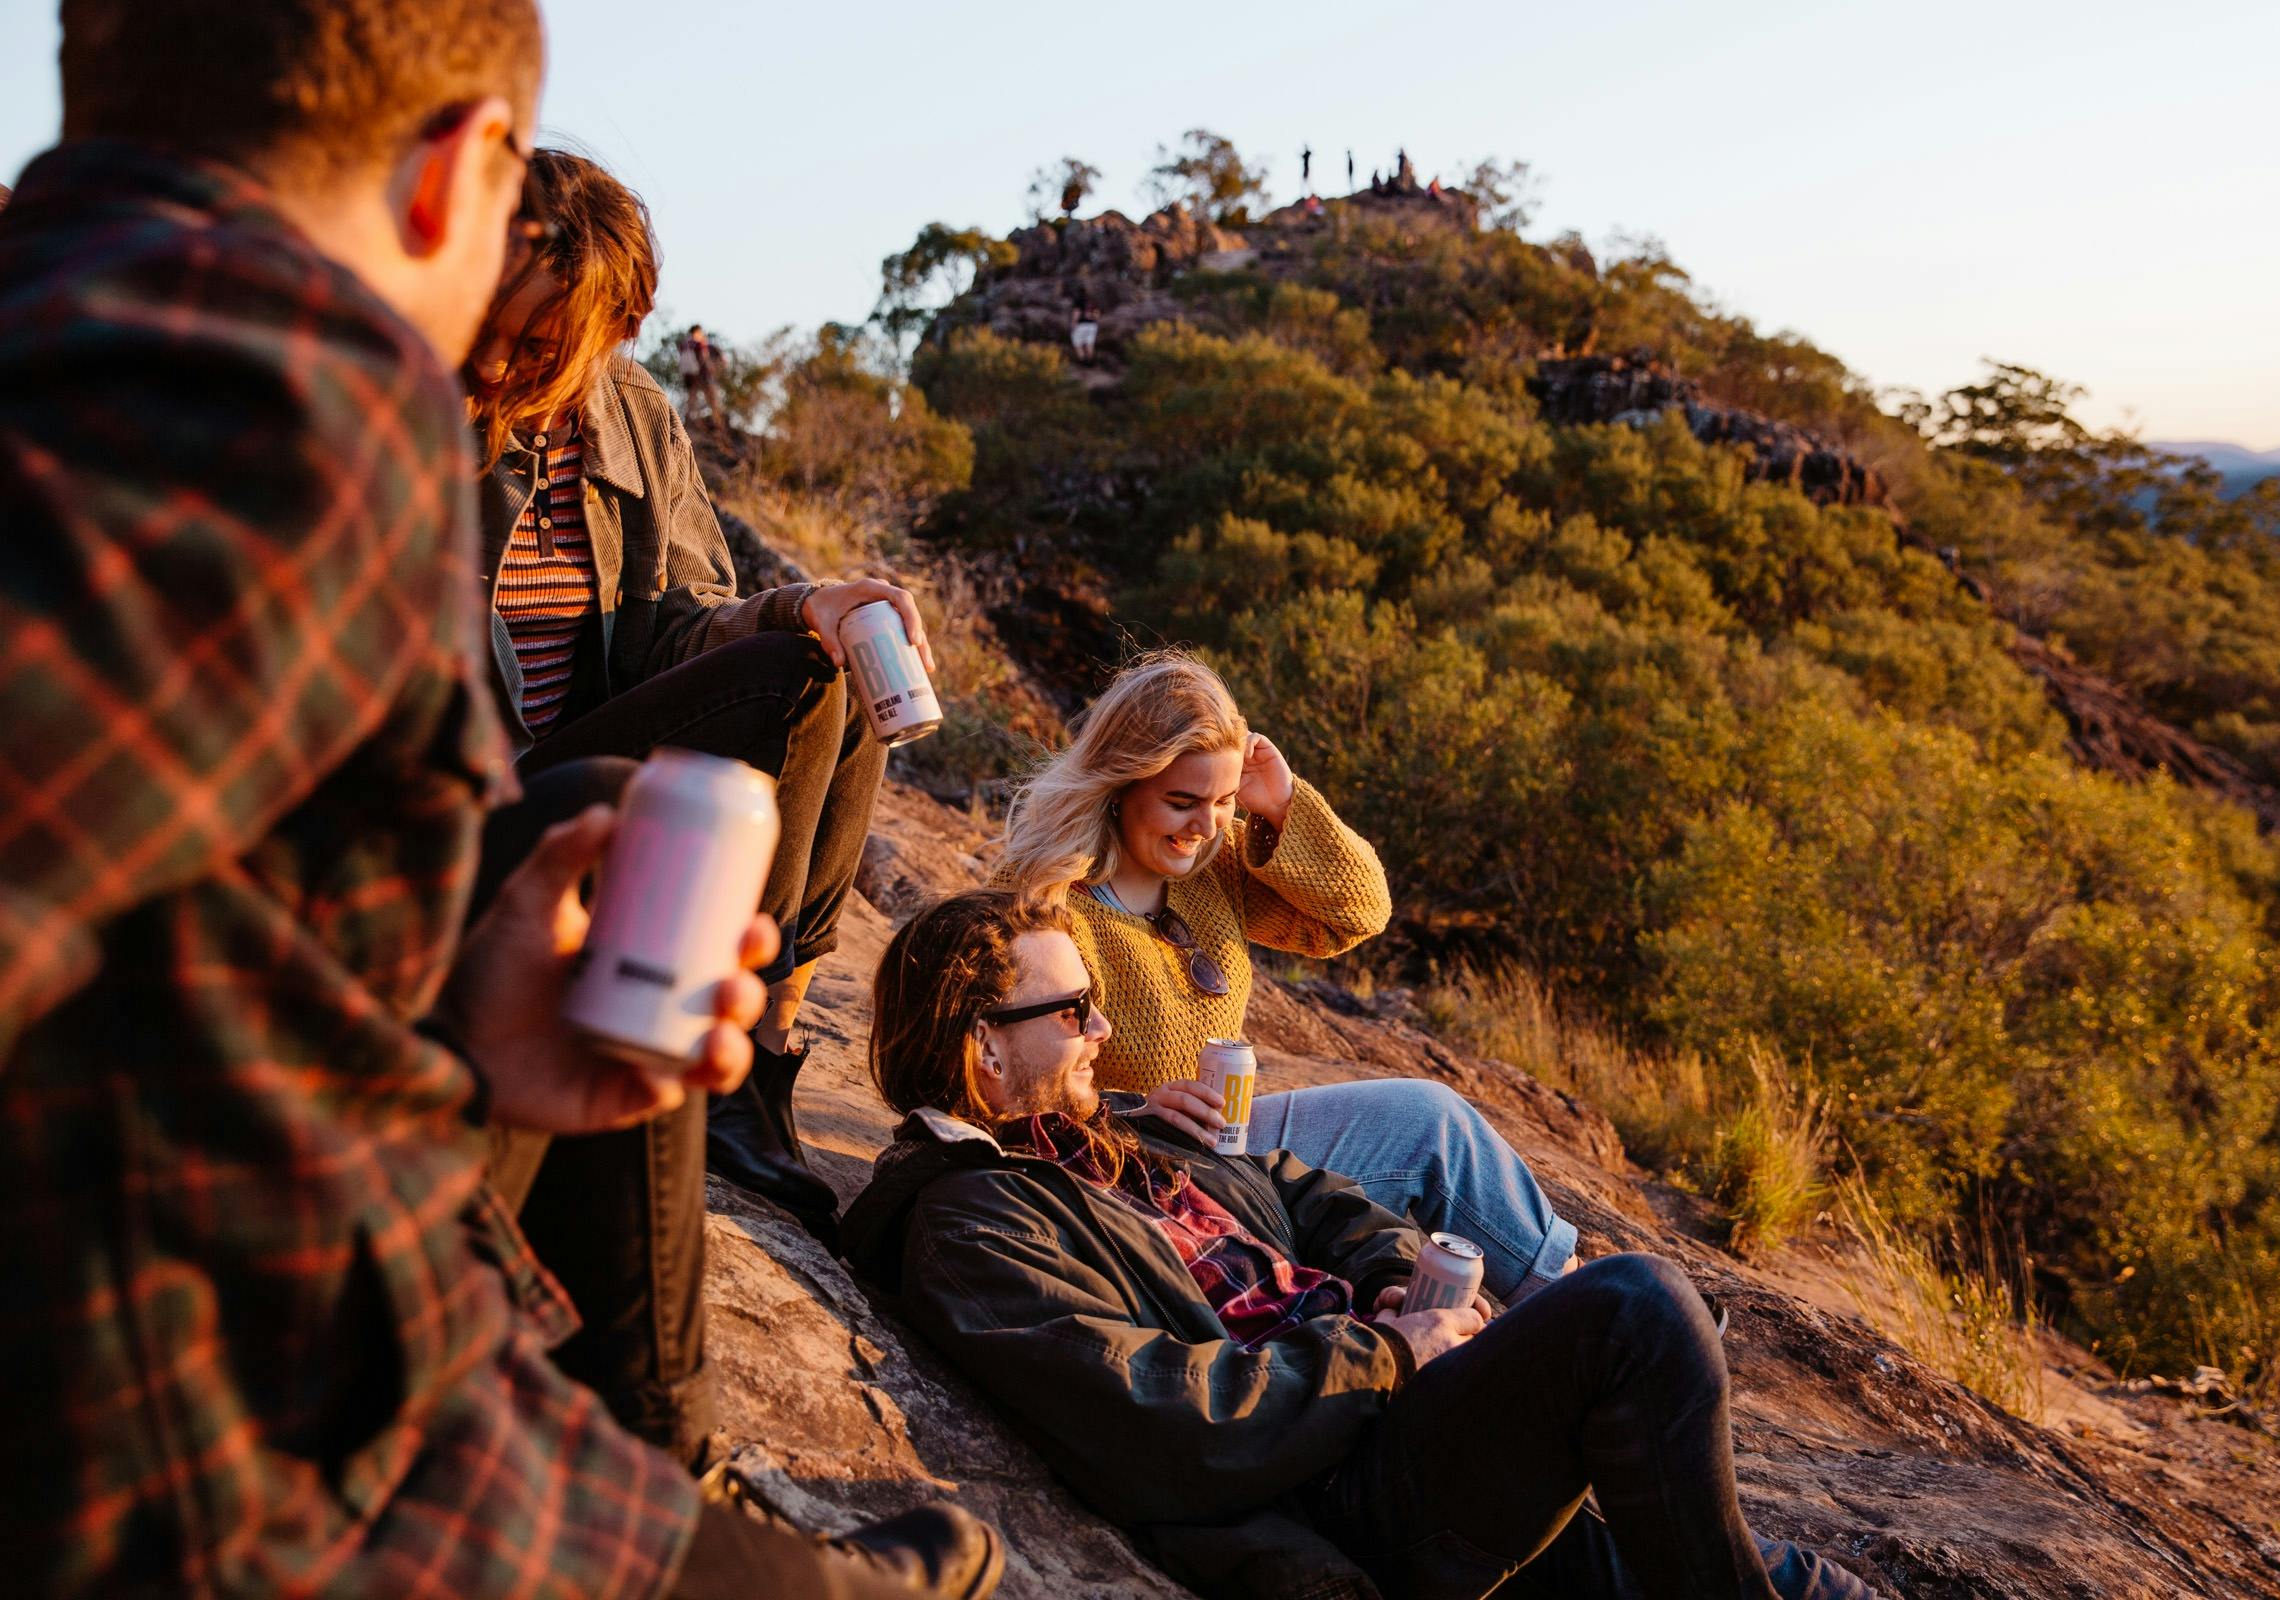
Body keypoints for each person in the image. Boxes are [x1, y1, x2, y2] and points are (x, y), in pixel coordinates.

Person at [0, 4, 993, 1594]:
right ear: (465, 176)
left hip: (334, 1371)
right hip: (240, 1509)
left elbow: (193, 1056)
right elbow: (249, 1356)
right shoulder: (257, 424)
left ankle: (674, 1396)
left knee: (627, 829)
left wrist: (463, 1062)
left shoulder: (107, 348)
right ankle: (679, 1484)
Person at [843, 891, 1877, 1600]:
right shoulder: (973, 1224)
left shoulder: (1111, 1135)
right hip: (1340, 1485)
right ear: (983, 1048)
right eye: (1073, 1010)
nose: (1104, 1030)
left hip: (1393, 1416)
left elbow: (1308, 1192)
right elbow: (1168, 1418)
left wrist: (1392, 1279)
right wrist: (1391, 1353)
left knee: (1791, 1580)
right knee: (1635, 1309)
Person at [465, 148, 927, 1249]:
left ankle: (763, 1043)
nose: (513, 362)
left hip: (604, 752)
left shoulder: (633, 416)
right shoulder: (414, 404)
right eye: (507, 326)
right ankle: (729, 1074)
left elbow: (682, 621)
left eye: (549, 346)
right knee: (788, 669)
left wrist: (805, 605)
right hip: (487, 788)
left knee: (827, 662)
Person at [990, 653, 1579, 1305]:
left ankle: (1569, 1294)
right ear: (1118, 783)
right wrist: (1130, 1114)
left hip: (1230, 1151)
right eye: (1181, 801)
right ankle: (1581, 1313)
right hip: (1130, 1172)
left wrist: (1284, 804)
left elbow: (1356, 913)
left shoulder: (1214, 871)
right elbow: (1009, 1091)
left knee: (1429, 1121)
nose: (1206, 827)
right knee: (1425, 1125)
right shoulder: (1046, 907)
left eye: (1221, 801)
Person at [677, 321, 727, 431]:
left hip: (688, 376)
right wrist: (711, 368)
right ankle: (717, 423)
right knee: (712, 398)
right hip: (702, 375)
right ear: (698, 332)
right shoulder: (699, 343)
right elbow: (703, 358)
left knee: (691, 398)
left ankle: (687, 421)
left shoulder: (683, 344)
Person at [1070, 296, 1100, 363]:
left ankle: (1082, 360)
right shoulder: (1092, 301)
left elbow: (1076, 312)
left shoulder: (1079, 300)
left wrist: (1073, 323)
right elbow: (1097, 315)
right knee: (1089, 344)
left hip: (1082, 325)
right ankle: (1090, 361)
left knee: (1077, 344)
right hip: (1093, 325)